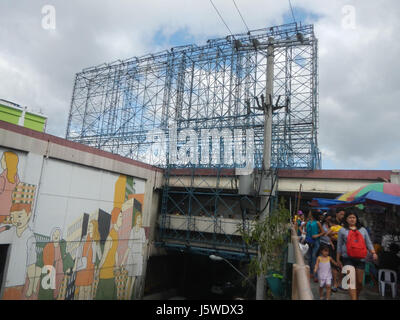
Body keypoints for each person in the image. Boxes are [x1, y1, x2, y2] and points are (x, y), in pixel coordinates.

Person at [336, 209, 377, 300]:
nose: (352, 219)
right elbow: (339, 245)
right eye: (349, 217)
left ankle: (356, 297)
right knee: (351, 281)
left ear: (356, 219)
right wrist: (338, 259)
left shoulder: (363, 230)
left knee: (359, 282)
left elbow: (368, 242)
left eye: (353, 217)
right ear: (346, 219)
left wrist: (373, 252)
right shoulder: (342, 231)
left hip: (361, 258)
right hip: (347, 258)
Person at [95, 208, 122, 300]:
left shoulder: (116, 234)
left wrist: (117, 266)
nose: (122, 219)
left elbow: (115, 252)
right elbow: (104, 256)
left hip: (110, 273)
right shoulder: (110, 236)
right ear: (115, 219)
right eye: (120, 217)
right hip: (106, 274)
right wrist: (98, 269)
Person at [74, 220, 102, 300]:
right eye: (89, 226)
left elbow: (100, 255)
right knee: (82, 289)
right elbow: (78, 252)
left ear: (95, 227)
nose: (89, 227)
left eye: (91, 226)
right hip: (82, 266)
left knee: (88, 289)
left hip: (90, 267)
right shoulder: (84, 238)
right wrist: (75, 265)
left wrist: (99, 266)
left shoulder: (96, 240)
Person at [0, 151, 20, 224]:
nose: (1, 161)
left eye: (2, 159)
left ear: (7, 162)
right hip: (9, 209)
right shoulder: (16, 177)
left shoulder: (2, 177)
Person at [305, 210, 324, 282]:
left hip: (316, 242)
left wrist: (317, 235)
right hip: (309, 241)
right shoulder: (309, 222)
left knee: (314, 257)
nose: (309, 213)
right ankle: (311, 273)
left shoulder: (317, 222)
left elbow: (323, 232)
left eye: (310, 212)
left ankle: (316, 275)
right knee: (309, 258)